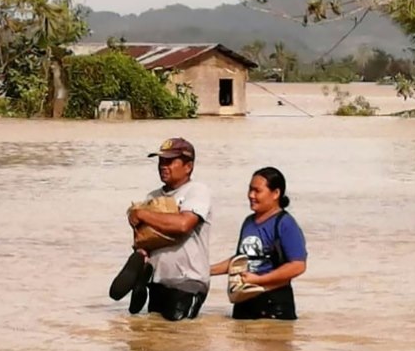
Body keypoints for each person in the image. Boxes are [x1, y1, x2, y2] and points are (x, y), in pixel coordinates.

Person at [110, 137, 213, 321]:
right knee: (156, 339)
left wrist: (141, 215)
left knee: (181, 337)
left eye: (169, 161)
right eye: (161, 161)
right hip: (158, 282)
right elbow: (144, 239)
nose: (163, 166)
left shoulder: (197, 191)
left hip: (187, 283)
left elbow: (183, 224)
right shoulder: (153, 196)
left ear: (188, 166)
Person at [211, 167, 307, 320]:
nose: (251, 195)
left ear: (276, 193)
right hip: (244, 301)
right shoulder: (248, 222)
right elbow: (241, 259)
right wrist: (206, 271)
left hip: (274, 304)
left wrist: (259, 280)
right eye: (249, 190)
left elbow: (298, 265)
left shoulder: (285, 223)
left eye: (257, 191)